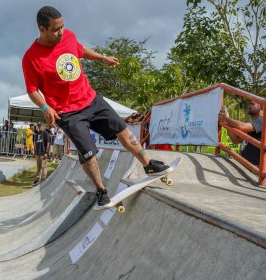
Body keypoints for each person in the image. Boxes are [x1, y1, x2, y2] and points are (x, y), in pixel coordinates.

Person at [22, 6, 170, 206]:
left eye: (62, 27)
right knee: (88, 152)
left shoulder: (68, 37)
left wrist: (102, 58)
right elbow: (32, 90)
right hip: (67, 112)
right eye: (56, 29)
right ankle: (101, 191)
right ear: (42, 29)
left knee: (122, 128)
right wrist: (45, 107)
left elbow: (80, 50)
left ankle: (148, 165)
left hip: (90, 99)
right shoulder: (31, 58)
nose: (61, 32)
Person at [218, 102, 266, 186]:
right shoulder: (254, 124)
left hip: (261, 167)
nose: (249, 106)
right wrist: (227, 122)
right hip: (250, 167)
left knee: (256, 196)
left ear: (262, 106)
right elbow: (236, 139)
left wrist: (227, 119)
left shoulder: (263, 120)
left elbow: (242, 126)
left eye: (252, 104)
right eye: (248, 104)